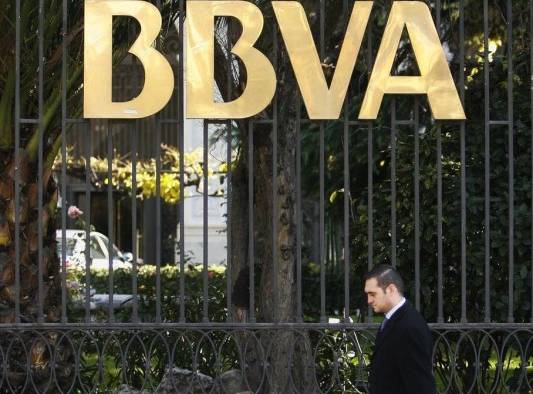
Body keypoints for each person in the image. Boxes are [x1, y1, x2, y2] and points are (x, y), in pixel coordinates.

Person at [364, 264, 436, 394]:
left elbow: (421, 387)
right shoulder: (394, 320)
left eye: (372, 294)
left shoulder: (410, 327)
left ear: (391, 289)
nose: (368, 300)